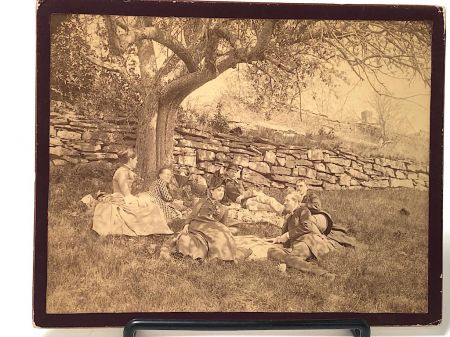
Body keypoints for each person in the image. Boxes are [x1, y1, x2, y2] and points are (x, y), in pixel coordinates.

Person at [267, 192, 356, 280]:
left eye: (287, 200)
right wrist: (278, 239)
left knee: (291, 258)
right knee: (271, 250)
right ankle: (289, 265)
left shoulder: (303, 211)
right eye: (284, 200)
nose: (284, 203)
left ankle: (325, 274)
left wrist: (287, 235)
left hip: (307, 241)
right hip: (295, 245)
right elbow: (286, 237)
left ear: (296, 202)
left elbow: (307, 227)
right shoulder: (289, 216)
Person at [166, 175, 251, 262]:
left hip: (213, 228)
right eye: (219, 190)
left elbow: (223, 224)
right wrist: (186, 225)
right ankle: (196, 254)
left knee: (224, 232)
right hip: (199, 225)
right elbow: (193, 214)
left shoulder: (224, 208)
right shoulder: (202, 201)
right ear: (211, 191)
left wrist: (226, 230)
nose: (221, 193)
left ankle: (221, 257)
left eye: (223, 191)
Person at [92, 148, 173, 236]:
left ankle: (161, 222)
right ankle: (157, 226)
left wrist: (135, 181)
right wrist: (140, 201)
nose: (137, 162)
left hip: (125, 198)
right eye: (136, 160)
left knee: (151, 203)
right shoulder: (121, 173)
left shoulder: (127, 171)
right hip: (121, 200)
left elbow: (133, 187)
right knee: (152, 208)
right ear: (130, 160)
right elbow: (127, 195)